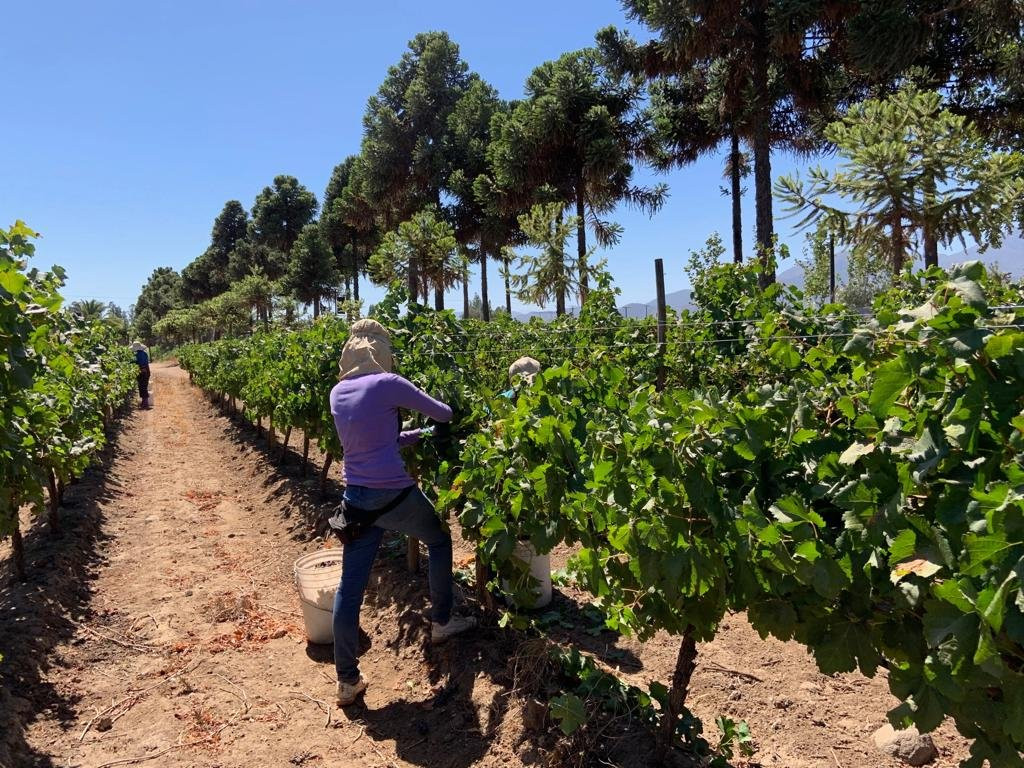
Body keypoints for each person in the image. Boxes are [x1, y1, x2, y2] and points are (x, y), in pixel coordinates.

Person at [328, 319, 476, 706]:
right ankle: (443, 621)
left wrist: (419, 435)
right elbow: (443, 413)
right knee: (440, 540)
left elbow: (383, 440)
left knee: (351, 585)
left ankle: (346, 680)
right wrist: (439, 419)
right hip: (393, 494)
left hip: (356, 501)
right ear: (382, 353)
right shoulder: (389, 384)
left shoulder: (337, 392)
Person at [130, 341, 151, 409]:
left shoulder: (137, 355)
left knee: (142, 387)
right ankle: (144, 403)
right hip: (147, 372)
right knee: (144, 387)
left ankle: (145, 404)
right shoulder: (144, 353)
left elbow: (139, 364)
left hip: (142, 372)